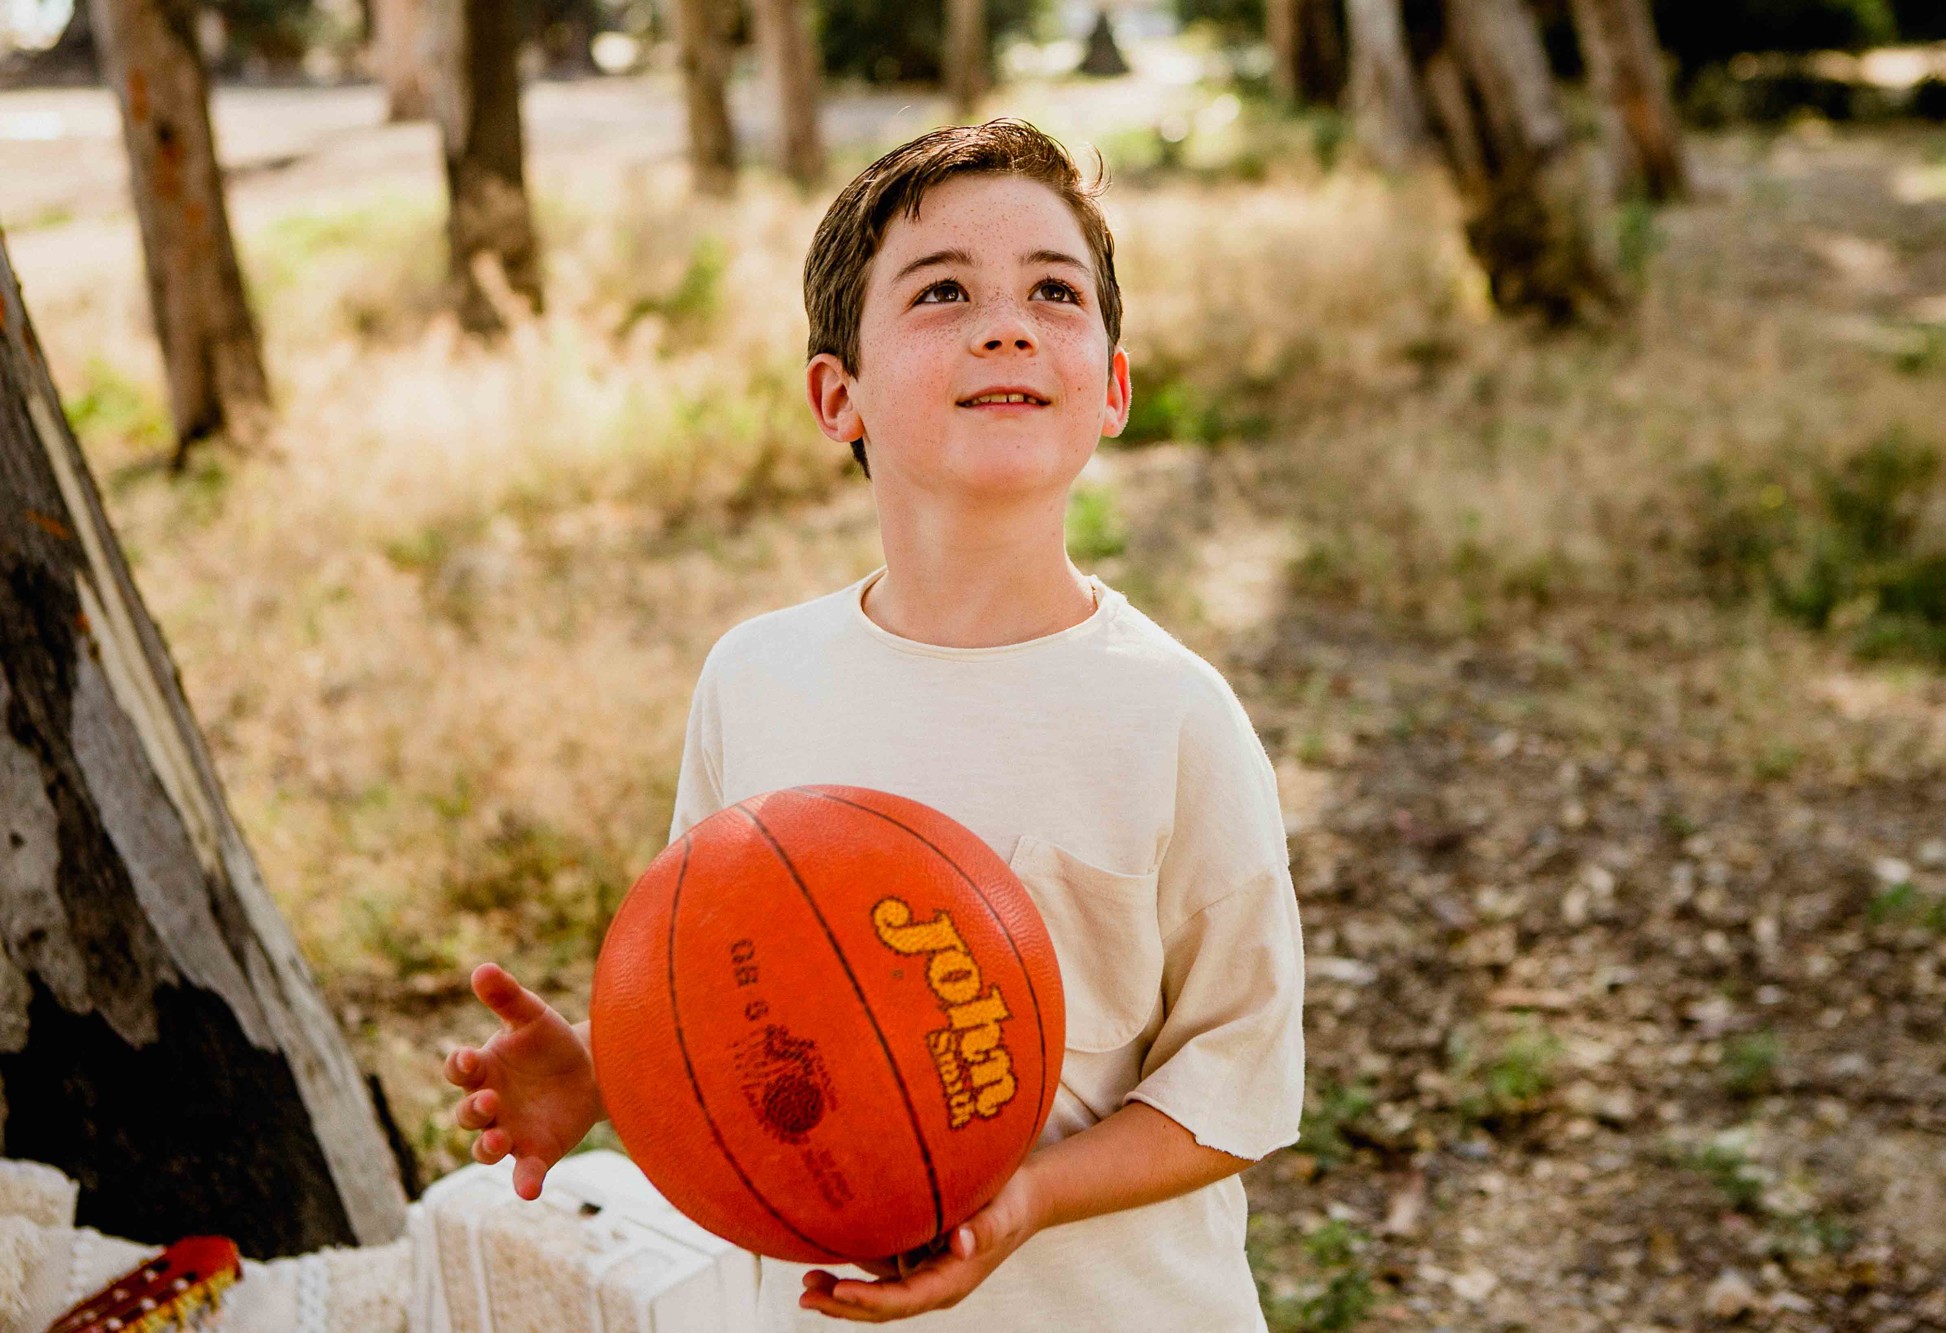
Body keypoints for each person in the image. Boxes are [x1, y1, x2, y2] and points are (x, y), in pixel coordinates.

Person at [442, 118, 1305, 1329]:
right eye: (942, 290)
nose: (1005, 322)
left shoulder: (1171, 716)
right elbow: (729, 979)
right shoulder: (757, 676)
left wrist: (1027, 1201)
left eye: (1053, 292)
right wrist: (605, 1064)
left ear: (1111, 386)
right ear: (835, 394)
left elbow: (1238, 1084)